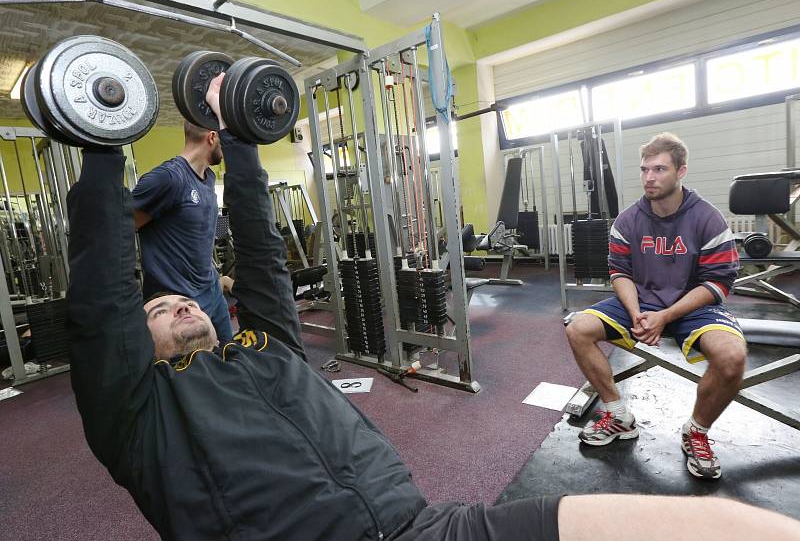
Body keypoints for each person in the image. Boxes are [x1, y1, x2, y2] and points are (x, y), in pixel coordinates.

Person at [65, 79, 800, 541]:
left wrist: (245, 144)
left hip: (429, 525)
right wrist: (100, 137)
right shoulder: (136, 413)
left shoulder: (266, 346)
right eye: (158, 308)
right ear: (138, 346)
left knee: (738, 528)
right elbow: (100, 288)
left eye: (179, 298)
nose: (177, 303)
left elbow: (259, 253)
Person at [565, 132, 746, 480]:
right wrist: (636, 313)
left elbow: (719, 282)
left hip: (693, 307)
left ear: (681, 171)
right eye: (645, 169)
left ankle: (696, 431)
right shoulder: (629, 220)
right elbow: (619, 273)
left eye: (660, 169)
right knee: (578, 329)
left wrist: (664, 317)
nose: (649, 177)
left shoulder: (707, 218)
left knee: (732, 357)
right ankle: (618, 415)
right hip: (642, 301)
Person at [132, 121, 233, 343]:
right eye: (224, 143)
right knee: (192, 372)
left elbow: (202, 234)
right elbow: (122, 229)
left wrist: (218, 278)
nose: (226, 151)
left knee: (230, 355)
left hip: (211, 289)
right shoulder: (168, 178)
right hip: (178, 301)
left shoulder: (209, 177)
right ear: (212, 137)